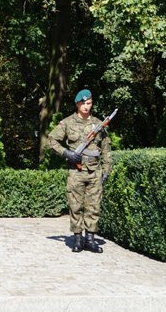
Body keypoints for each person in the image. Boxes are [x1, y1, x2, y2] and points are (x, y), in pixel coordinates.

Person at [47, 89, 112, 253]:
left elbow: (106, 149)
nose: (86, 106)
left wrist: (106, 169)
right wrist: (66, 153)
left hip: (94, 171)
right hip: (76, 171)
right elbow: (52, 140)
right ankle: (77, 239)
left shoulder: (98, 124)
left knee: (94, 206)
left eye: (89, 103)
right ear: (77, 104)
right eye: (83, 103)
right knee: (75, 206)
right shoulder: (67, 123)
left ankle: (90, 239)